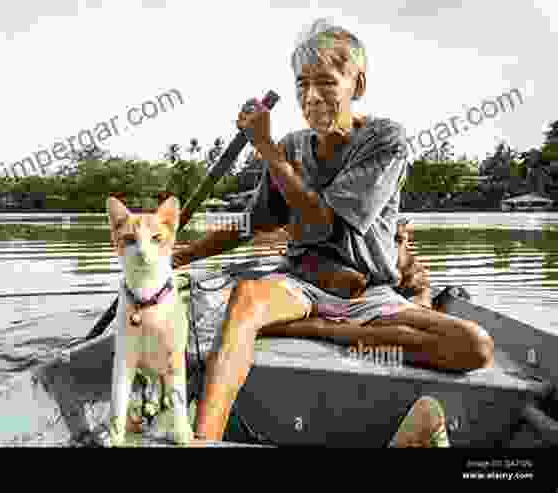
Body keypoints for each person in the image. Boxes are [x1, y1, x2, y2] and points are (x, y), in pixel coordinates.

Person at [173, 18, 494, 441]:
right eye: (302, 84)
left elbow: (324, 222)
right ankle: (203, 440)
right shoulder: (291, 147)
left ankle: (321, 329)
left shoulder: (385, 140)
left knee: (475, 346)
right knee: (246, 299)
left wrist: (267, 151)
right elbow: (255, 222)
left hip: (368, 294)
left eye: (325, 82)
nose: (311, 96)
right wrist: (183, 254)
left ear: (357, 85)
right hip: (301, 285)